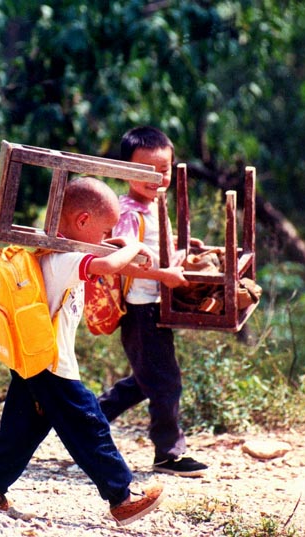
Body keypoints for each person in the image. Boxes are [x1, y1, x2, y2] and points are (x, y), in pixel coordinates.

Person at [0, 176, 165, 527]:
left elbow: (106, 257)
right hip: (54, 366)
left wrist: (115, 245)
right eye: (104, 232)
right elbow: (111, 266)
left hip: (33, 360)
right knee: (89, 425)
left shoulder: (52, 251)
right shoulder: (68, 257)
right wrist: (132, 244)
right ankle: (122, 497)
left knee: (21, 428)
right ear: (83, 222)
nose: (104, 240)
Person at [97, 126, 208, 477]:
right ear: (126, 168)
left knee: (147, 378)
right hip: (140, 306)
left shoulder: (153, 203)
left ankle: (83, 419)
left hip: (155, 304)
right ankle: (168, 454)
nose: (157, 178)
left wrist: (184, 248)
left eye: (164, 170)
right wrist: (163, 276)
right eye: (146, 170)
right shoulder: (128, 211)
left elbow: (156, 244)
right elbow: (125, 260)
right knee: (165, 381)